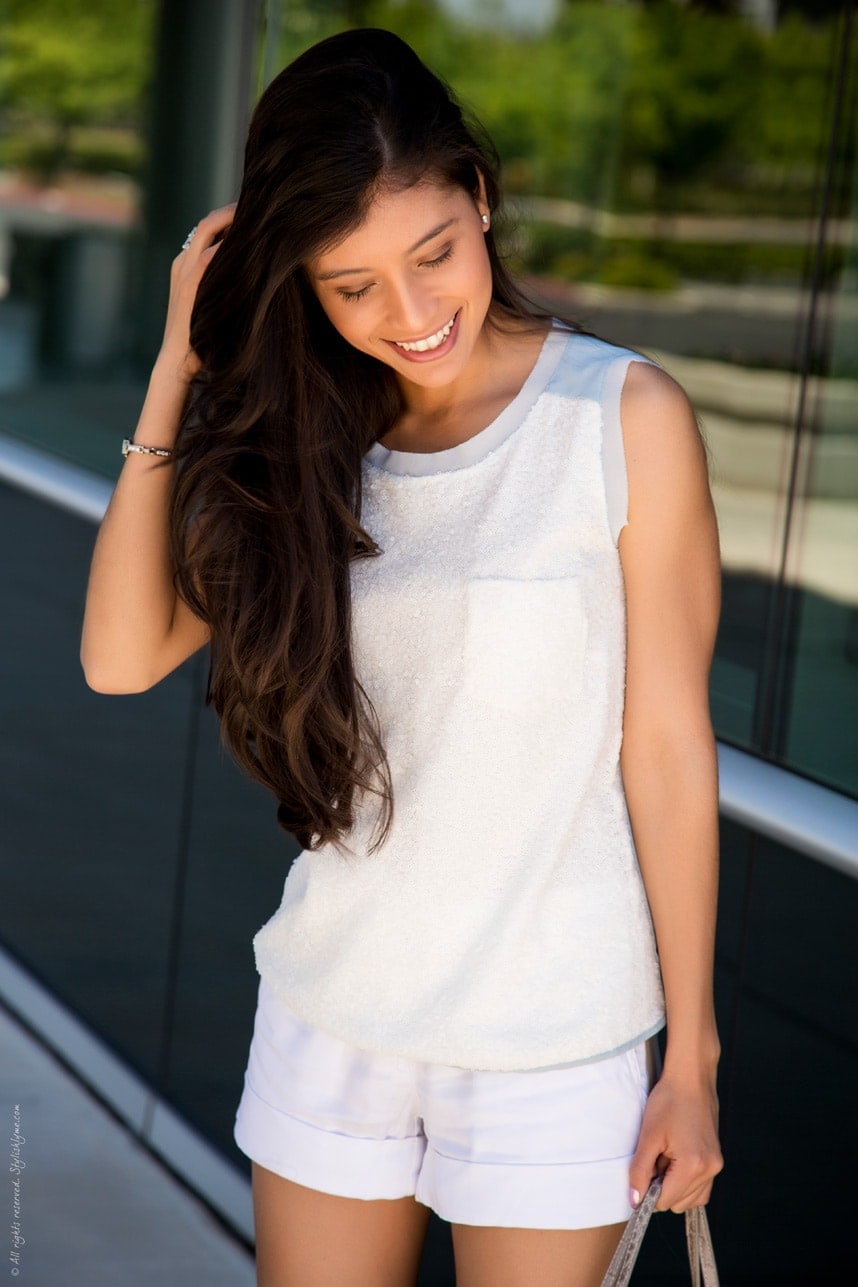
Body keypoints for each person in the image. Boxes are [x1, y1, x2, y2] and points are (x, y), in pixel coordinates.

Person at [81, 27, 723, 1287]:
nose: (411, 314)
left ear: (479, 199)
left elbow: (665, 748)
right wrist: (173, 373)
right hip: (334, 1019)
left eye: (433, 255)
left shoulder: (619, 417)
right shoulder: (311, 442)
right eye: (352, 285)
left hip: (554, 1041)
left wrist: (690, 1063)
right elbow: (116, 657)